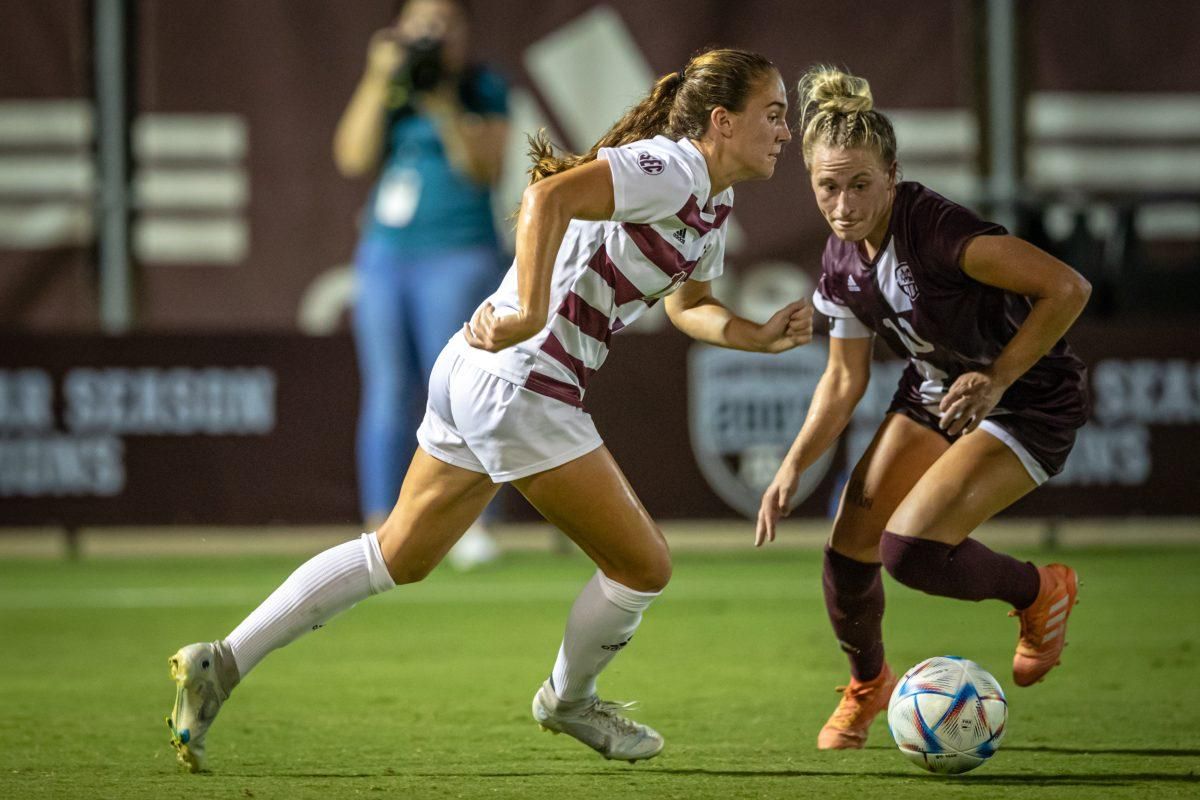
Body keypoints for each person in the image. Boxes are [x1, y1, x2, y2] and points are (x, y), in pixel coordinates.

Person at [166, 47, 808, 773]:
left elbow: (692, 306)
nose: (787, 131)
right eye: (775, 113)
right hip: (523, 383)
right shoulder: (674, 168)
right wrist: (530, 309)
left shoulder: (713, 201)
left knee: (397, 555)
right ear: (722, 122)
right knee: (644, 567)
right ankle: (568, 700)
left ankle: (223, 660)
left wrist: (753, 335)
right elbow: (548, 198)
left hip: (480, 374)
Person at [756, 66, 1091, 751]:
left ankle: (1039, 592)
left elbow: (1068, 287)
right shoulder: (839, 261)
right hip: (937, 392)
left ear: (893, 176)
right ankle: (868, 686)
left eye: (859, 185)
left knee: (907, 551)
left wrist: (996, 379)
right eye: (828, 186)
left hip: (1026, 399)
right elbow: (844, 380)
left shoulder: (937, 232)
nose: (843, 204)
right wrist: (793, 465)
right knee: (847, 553)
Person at [333, 0, 508, 568]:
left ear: (464, 32)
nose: (432, 34)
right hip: (386, 257)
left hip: (458, 256)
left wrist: (443, 105)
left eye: (444, 23)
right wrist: (378, 74)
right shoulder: (393, 88)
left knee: (461, 389)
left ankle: (470, 524)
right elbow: (352, 156)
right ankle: (380, 525)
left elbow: (484, 168)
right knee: (385, 389)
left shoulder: (482, 88)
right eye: (420, 23)